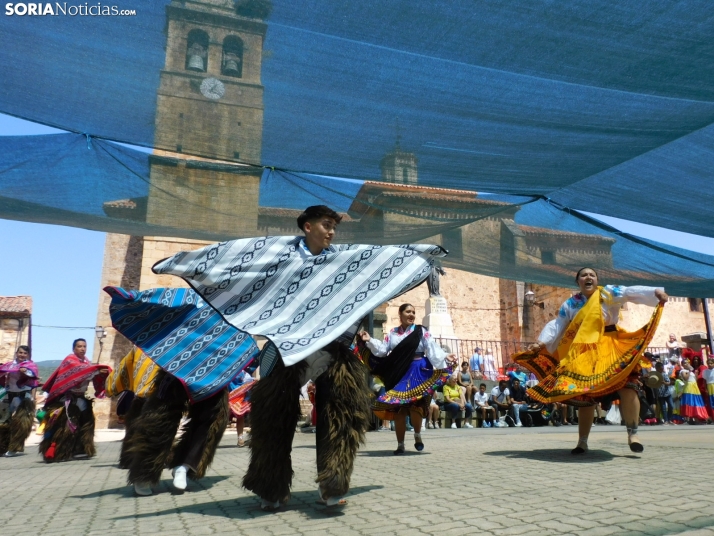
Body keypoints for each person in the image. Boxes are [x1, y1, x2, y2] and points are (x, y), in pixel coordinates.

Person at [108, 205, 448, 510]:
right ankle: (270, 488)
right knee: (272, 418)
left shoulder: (341, 257)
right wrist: (178, 263)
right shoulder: (276, 254)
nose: (331, 231)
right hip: (285, 349)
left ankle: (333, 484)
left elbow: (383, 260)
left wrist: (423, 255)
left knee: (342, 414)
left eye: (334, 226)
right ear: (306, 226)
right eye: (326, 224)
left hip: (332, 350)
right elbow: (231, 259)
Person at [514, 267, 667, 454]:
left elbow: (629, 292)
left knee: (629, 388)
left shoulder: (608, 292)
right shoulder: (571, 304)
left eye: (592, 275)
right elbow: (558, 325)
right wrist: (540, 343)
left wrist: (654, 292)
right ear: (578, 281)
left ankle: (633, 434)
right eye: (584, 275)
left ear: (597, 279)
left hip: (612, 346)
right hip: (585, 350)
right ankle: (582, 441)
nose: (588, 277)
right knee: (585, 394)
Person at [359, 303, 455, 454]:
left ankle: (417, 435)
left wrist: (445, 356)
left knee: (416, 407)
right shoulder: (393, 333)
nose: (411, 315)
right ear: (400, 314)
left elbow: (431, 348)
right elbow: (383, 350)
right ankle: (400, 445)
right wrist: (369, 340)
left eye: (413, 312)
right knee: (399, 410)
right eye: (408, 312)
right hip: (400, 372)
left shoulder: (421, 331)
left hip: (419, 371)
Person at [39, 339, 111, 462]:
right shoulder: (70, 360)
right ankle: (60, 451)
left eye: (84, 346)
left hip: (81, 398)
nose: (82, 348)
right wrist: (96, 370)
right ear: (74, 349)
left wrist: (98, 372)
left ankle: (81, 449)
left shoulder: (87, 363)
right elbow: (80, 371)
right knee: (65, 427)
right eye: (79, 346)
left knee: (86, 424)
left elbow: (87, 372)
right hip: (67, 399)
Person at [104, 346, 160, 471]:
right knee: (135, 430)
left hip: (158, 397)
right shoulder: (138, 348)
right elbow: (125, 367)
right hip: (139, 397)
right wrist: (111, 386)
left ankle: (157, 459)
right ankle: (130, 459)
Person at [0, 345, 39, 456]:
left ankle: (14, 448)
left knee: (21, 424)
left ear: (28, 355)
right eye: (20, 352)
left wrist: (25, 371)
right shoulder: (9, 365)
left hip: (23, 397)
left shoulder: (30, 366)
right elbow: (2, 372)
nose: (22, 355)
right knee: (3, 422)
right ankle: (2, 447)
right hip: (9, 395)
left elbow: (32, 375)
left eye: (25, 353)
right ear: (17, 353)